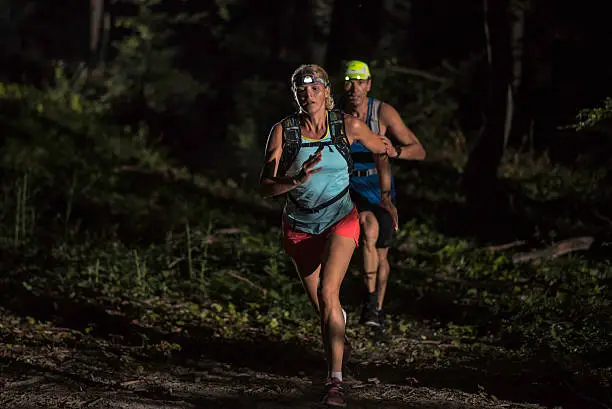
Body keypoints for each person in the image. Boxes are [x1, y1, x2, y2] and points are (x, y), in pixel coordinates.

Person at [259, 64, 392, 407]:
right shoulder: (283, 131)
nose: (309, 95)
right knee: (322, 305)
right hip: (300, 227)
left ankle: (335, 383)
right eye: (302, 91)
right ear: (296, 96)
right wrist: (295, 180)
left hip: (340, 219)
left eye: (315, 89)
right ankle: (340, 339)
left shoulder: (346, 125)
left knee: (328, 291)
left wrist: (387, 159)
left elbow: (380, 146)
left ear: (326, 92)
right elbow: (265, 187)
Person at [341, 60, 426, 332]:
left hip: (381, 187)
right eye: (349, 82)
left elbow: (419, 150)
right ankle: (368, 302)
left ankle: (376, 309)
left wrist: (396, 152)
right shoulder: (337, 114)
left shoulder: (383, 112)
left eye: (359, 82)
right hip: (350, 186)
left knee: (381, 253)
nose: (354, 88)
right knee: (368, 228)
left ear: (368, 84)